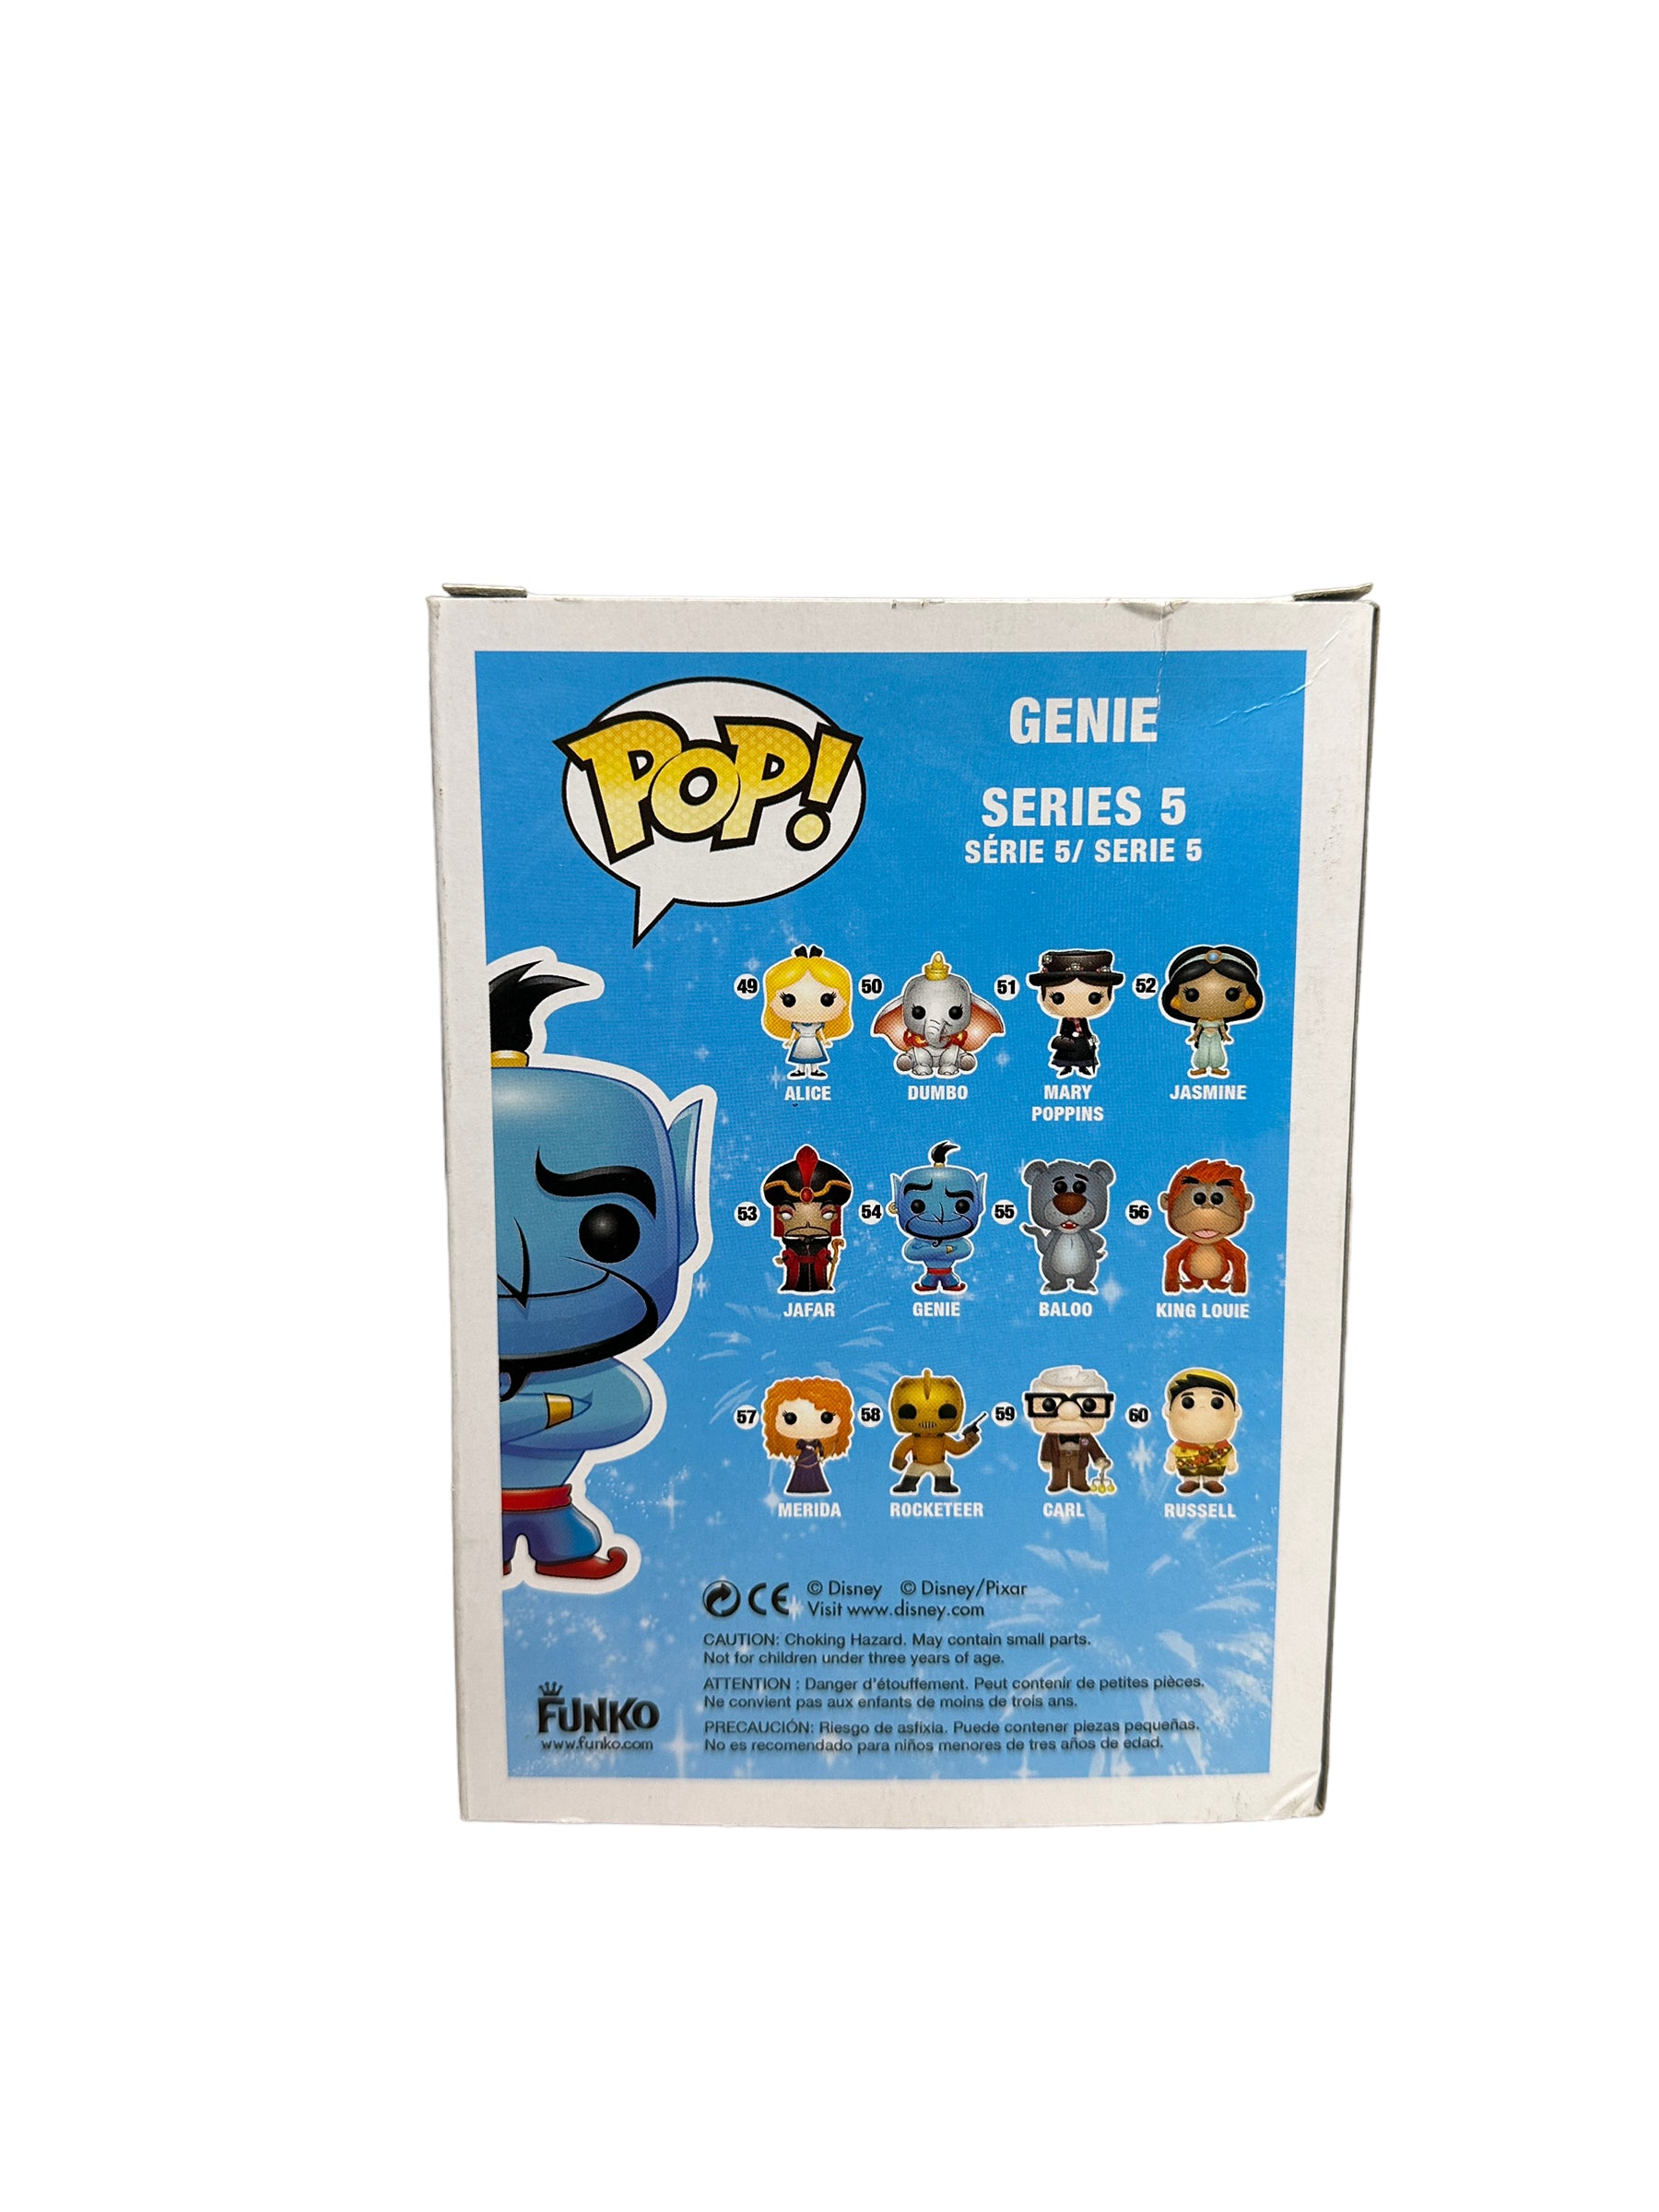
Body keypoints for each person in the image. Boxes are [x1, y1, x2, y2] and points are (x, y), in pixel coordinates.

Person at [1159, 945, 1264, 1079]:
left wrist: (1225, 1036)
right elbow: (1198, 1029)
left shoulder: (1219, 1021)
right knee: (1202, 1051)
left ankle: (1216, 1067)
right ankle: (1201, 1067)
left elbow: (1222, 1029)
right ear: (1175, 1000)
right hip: (1203, 1036)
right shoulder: (1201, 1021)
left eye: (1233, 994)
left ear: (1250, 999)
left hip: (1216, 1036)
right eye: (1191, 994)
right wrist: (1194, 1036)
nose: (1211, 1001)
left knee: (1216, 1051)